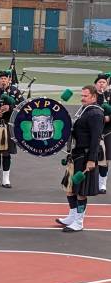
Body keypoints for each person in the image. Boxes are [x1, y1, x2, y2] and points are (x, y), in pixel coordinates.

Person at [57, 85, 104, 232]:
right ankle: (72, 216)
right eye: (82, 95)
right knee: (70, 188)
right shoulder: (85, 110)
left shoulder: (95, 113)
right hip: (76, 155)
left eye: (85, 96)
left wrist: (91, 160)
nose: (82, 98)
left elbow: (95, 139)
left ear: (94, 97)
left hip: (85, 156)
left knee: (81, 192)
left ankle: (79, 222)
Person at [94, 73, 111, 194]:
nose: (101, 84)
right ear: (95, 84)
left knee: (104, 160)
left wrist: (109, 117)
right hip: (93, 131)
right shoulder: (92, 97)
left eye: (104, 82)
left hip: (107, 132)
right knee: (91, 158)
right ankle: (90, 183)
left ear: (107, 84)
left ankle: (102, 184)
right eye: (99, 82)